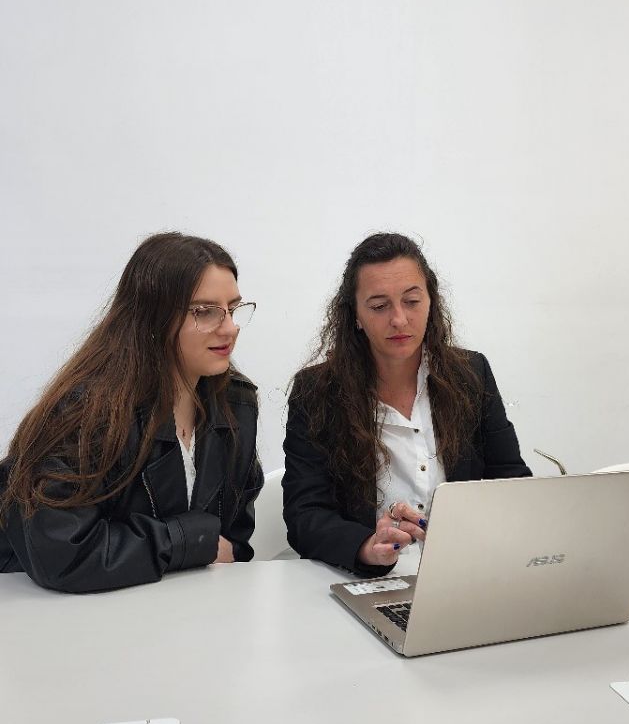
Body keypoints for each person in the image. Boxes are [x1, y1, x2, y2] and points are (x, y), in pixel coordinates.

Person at [0, 232, 263, 593]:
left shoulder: (237, 405)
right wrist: (191, 541)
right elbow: (63, 552)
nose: (230, 327)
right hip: (57, 613)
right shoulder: (85, 412)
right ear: (153, 318)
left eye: (232, 309)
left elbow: (233, 545)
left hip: (182, 609)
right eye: (205, 312)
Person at [283, 232, 531, 576]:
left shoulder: (471, 374)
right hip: (367, 580)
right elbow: (305, 515)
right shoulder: (317, 391)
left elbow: (511, 481)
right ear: (355, 315)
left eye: (412, 301)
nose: (399, 319)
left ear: (431, 302)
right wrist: (366, 546)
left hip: (466, 571)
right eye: (379, 306)